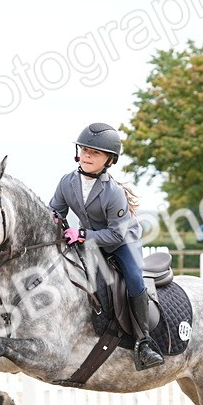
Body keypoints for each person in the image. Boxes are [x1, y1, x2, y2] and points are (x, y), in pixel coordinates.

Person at [49, 122, 164, 370]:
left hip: (122, 241)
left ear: (109, 160)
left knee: (134, 277)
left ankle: (144, 341)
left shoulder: (113, 193)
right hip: (90, 239)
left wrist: (82, 234)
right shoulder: (67, 182)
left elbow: (115, 235)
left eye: (96, 153)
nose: (88, 155)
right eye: (85, 150)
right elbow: (56, 211)